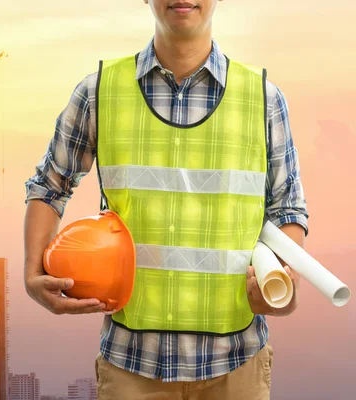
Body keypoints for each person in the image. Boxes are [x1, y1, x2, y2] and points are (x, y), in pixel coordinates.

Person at [23, 1, 309, 399]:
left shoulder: (264, 99)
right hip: (131, 366)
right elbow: (49, 185)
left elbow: (287, 208)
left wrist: (281, 286)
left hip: (237, 366)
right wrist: (33, 271)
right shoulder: (98, 91)